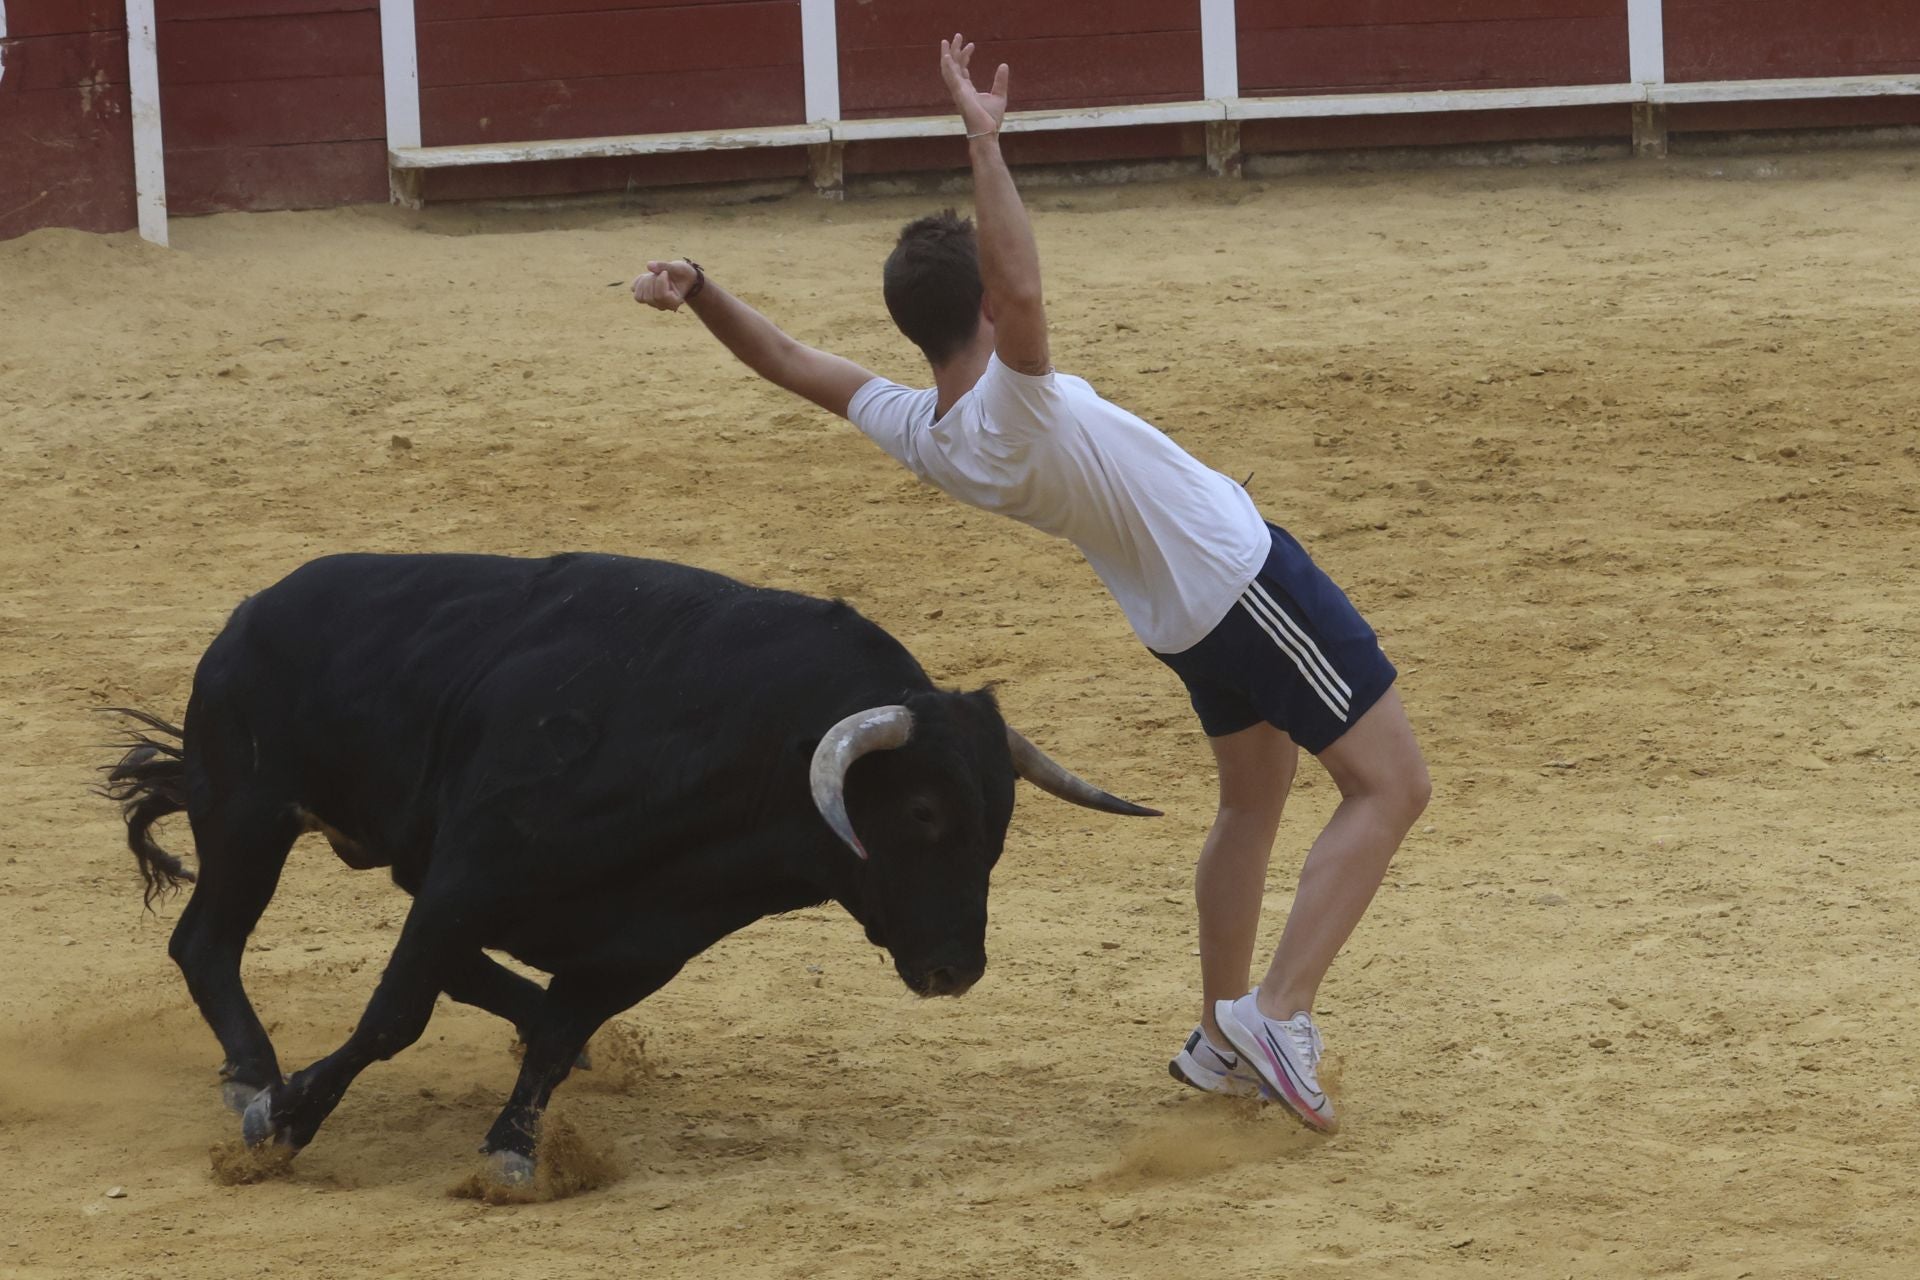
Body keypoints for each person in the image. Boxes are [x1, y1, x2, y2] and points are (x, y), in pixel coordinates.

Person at [630, 34, 1430, 1131]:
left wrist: (703, 288)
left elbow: (791, 360)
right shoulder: (1020, 399)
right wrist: (982, 139)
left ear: (915, 328)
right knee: (1391, 783)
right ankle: (1277, 1011)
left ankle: (1216, 1035)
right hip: (1243, 581)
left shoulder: (930, 430)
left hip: (1179, 618)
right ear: (990, 316)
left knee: (1250, 802)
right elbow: (1021, 277)